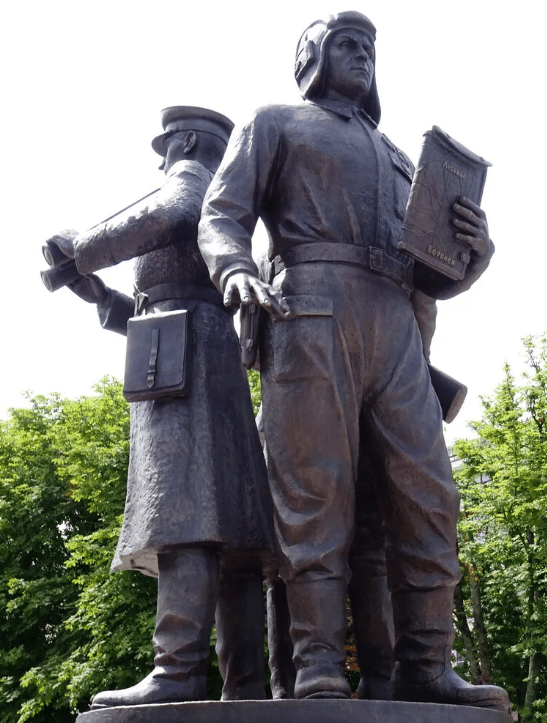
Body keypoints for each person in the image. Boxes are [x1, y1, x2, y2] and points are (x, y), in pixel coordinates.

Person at [197, 11, 509, 711]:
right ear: (310, 56)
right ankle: (314, 666)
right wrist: (234, 270)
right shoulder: (274, 120)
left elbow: (429, 272)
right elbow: (220, 213)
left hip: (396, 323)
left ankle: (426, 663)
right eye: (345, 43)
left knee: (429, 496)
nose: (361, 55)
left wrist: (472, 259)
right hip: (309, 307)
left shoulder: (402, 155)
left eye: (369, 47)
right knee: (315, 494)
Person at [51, 106, 274, 707]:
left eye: (167, 146)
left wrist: (83, 247)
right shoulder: (220, 205)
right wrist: (95, 292)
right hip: (201, 351)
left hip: (187, 365)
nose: (161, 160)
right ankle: (245, 685)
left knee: (184, 516)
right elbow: (164, 307)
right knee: (232, 531)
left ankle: (176, 672)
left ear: (191, 141)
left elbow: (167, 210)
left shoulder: (193, 182)